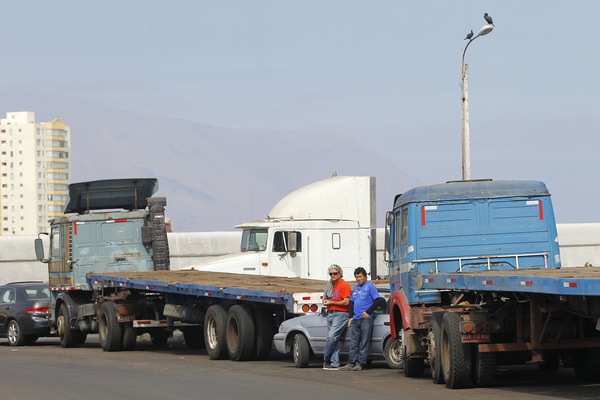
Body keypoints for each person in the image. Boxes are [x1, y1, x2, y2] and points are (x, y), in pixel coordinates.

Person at [340, 267, 385, 371]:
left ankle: (360, 363)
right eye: (356, 277)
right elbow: (351, 302)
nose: (358, 279)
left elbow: (378, 300)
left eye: (360, 276)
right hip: (355, 319)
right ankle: (350, 363)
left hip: (366, 319)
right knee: (354, 342)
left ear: (365, 276)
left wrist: (368, 312)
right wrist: (350, 317)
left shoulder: (370, 287)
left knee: (364, 342)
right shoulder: (355, 288)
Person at [322, 264, 351, 370]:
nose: (333, 275)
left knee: (331, 337)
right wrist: (327, 302)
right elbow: (328, 298)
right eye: (331, 274)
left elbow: (346, 301)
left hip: (341, 314)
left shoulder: (344, 285)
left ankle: (326, 358)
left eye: (335, 273)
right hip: (330, 313)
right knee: (333, 339)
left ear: (340, 273)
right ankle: (334, 363)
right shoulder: (330, 285)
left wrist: (331, 302)